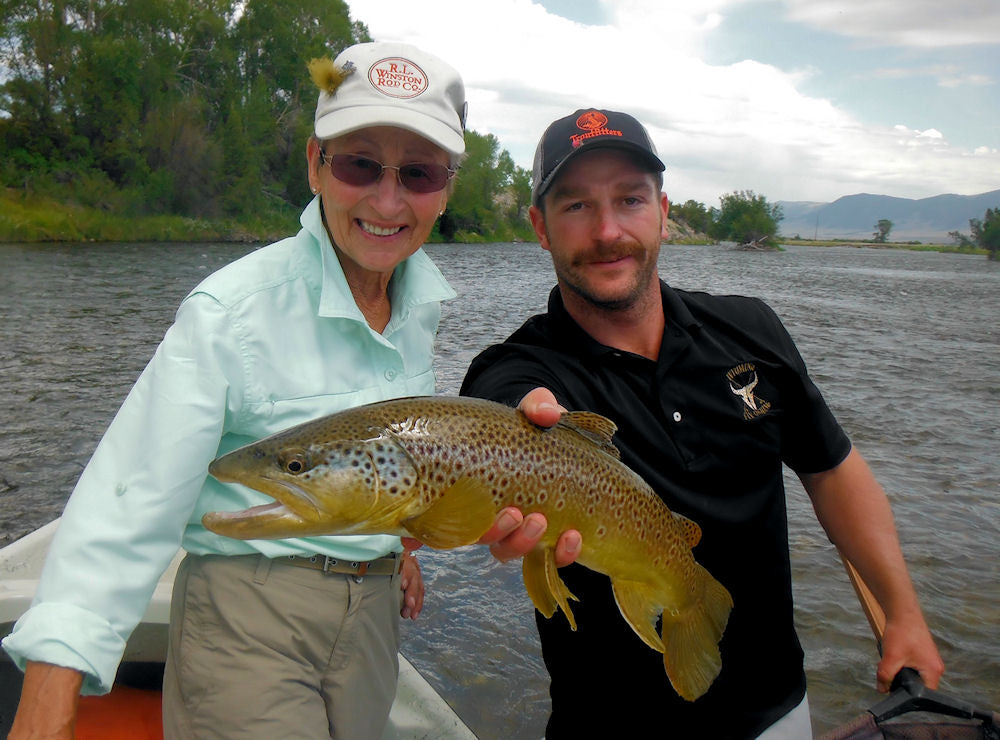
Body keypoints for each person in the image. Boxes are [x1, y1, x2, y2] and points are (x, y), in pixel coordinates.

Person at [3, 40, 523, 740]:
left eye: (420, 173)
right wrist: (49, 690)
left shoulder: (417, 305)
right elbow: (128, 499)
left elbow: (392, 462)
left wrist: (396, 545)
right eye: (360, 164)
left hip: (373, 621)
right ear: (315, 164)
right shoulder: (230, 311)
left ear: (447, 187)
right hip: (247, 619)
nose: (388, 200)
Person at [459, 108, 945, 738]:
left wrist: (903, 611)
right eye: (576, 206)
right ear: (540, 228)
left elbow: (831, 471)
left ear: (663, 212)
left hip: (777, 710)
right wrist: (516, 431)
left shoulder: (752, 329)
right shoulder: (516, 366)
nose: (608, 230)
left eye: (629, 199)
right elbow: (500, 413)